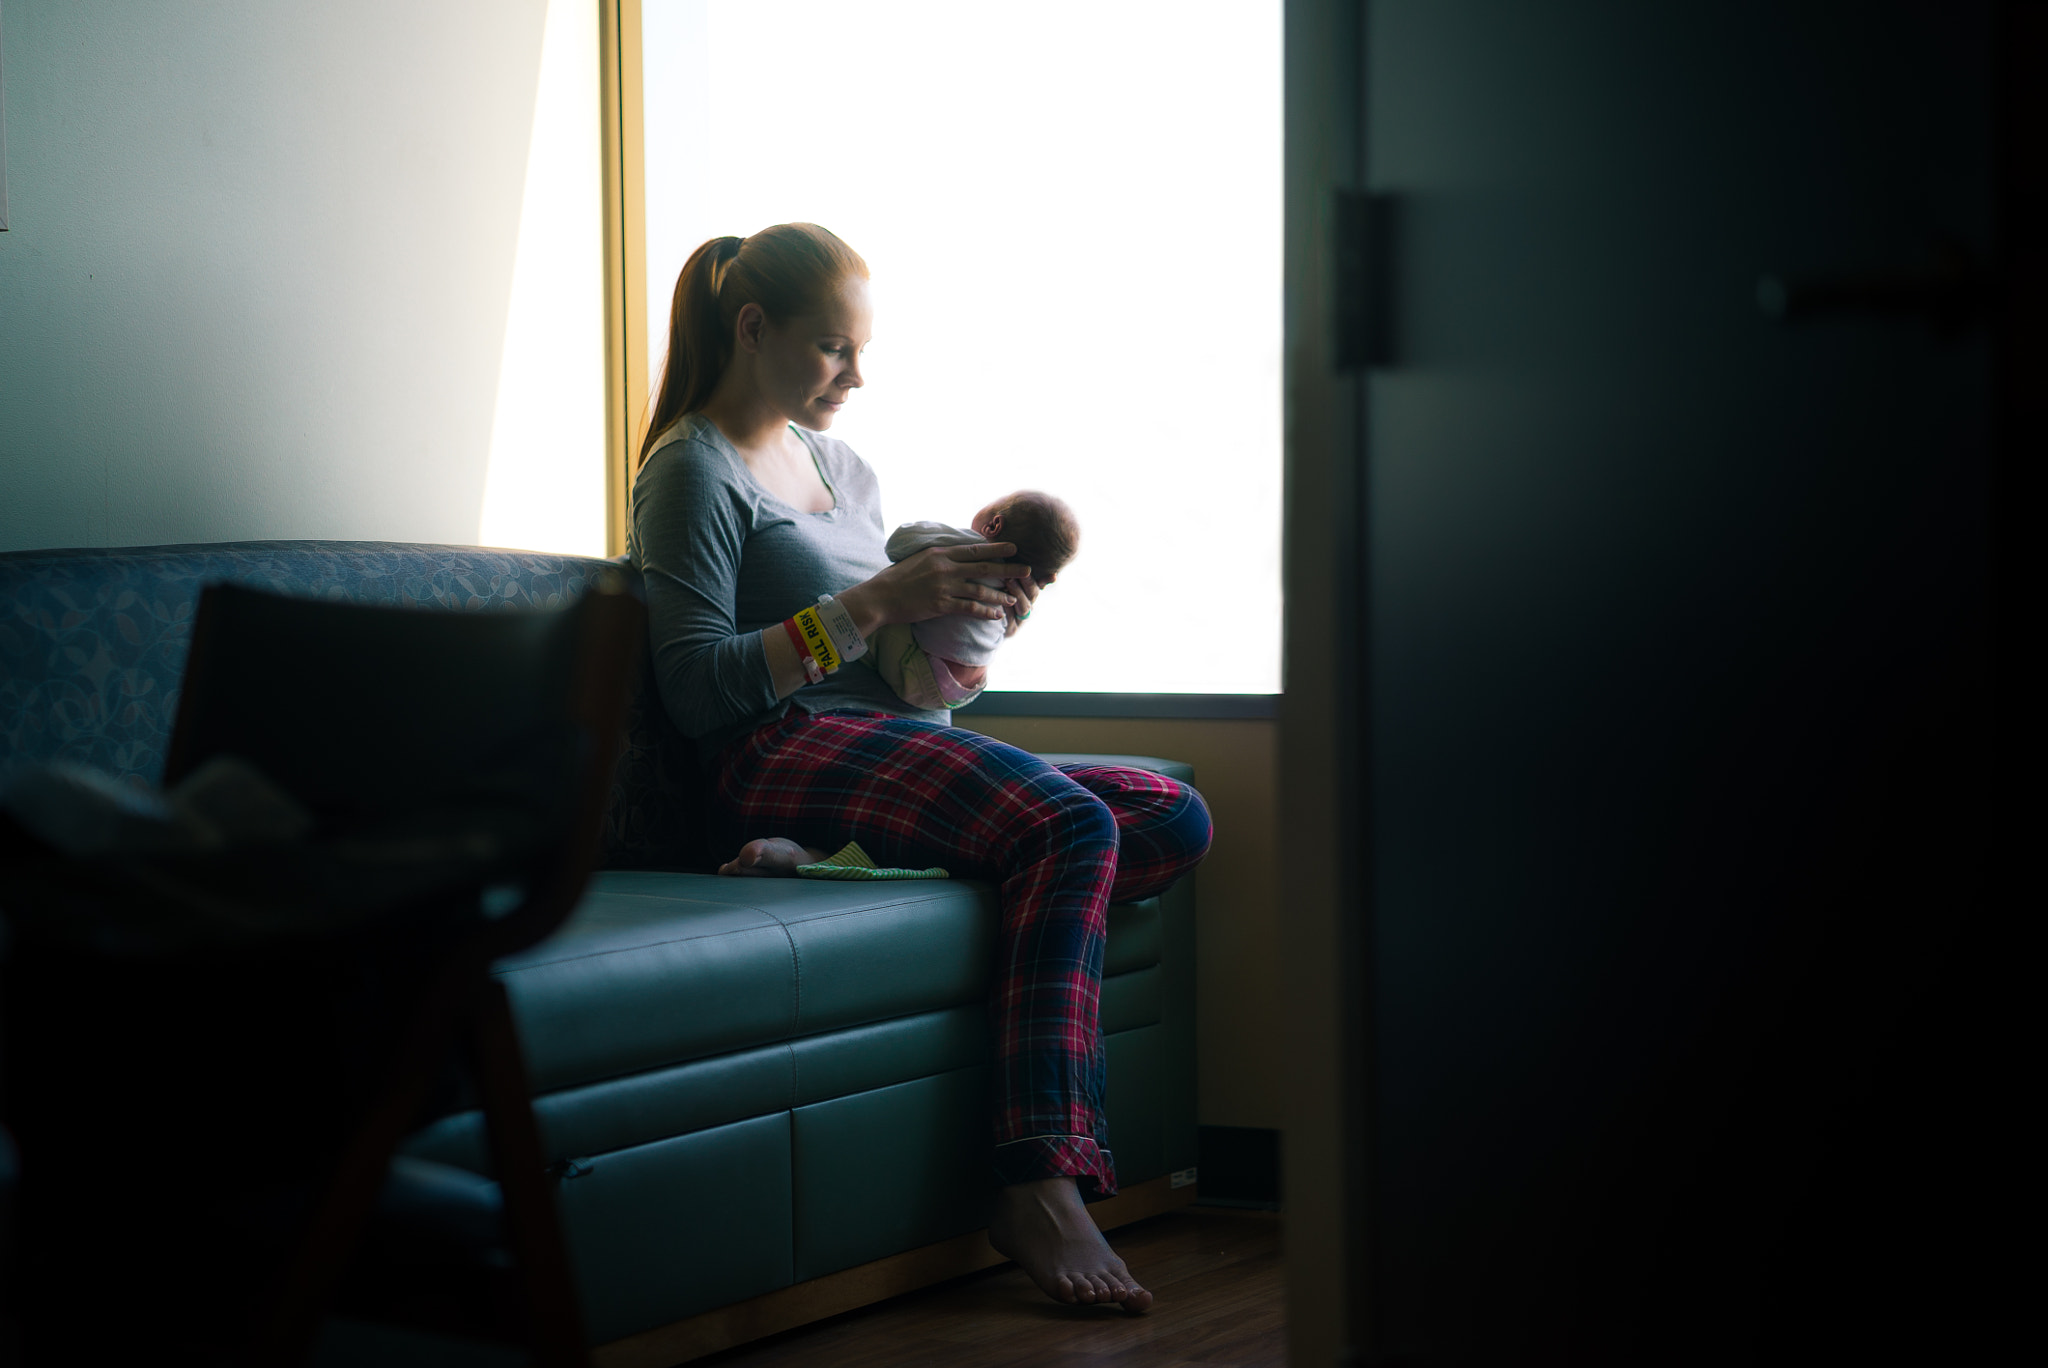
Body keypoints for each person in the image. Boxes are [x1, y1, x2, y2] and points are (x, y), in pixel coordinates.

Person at [626, 223, 1211, 1313]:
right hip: (776, 751)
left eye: (859, 350)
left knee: (1172, 816)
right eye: (833, 348)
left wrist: (968, 629)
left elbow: (896, 672)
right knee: (1066, 830)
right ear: (752, 329)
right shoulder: (690, 471)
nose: (856, 374)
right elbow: (696, 690)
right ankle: (1038, 1174)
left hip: (893, 746)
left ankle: (826, 866)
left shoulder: (841, 467)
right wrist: (869, 606)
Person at [872, 490, 1081, 710]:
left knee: (878, 605)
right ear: (1048, 578)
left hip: (917, 670)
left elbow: (897, 543)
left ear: (993, 525)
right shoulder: (1018, 588)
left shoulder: (967, 544)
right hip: (964, 690)